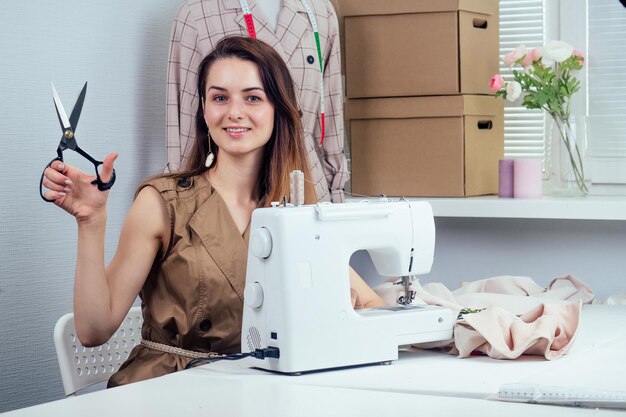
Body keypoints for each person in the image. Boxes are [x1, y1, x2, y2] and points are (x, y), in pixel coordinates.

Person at [42, 36, 383, 387]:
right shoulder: (162, 202)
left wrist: (340, 308)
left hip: (261, 388)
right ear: (204, 111)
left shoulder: (295, 213)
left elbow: (371, 305)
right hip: (167, 391)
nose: (234, 112)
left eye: (252, 97)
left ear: (277, 109)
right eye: (220, 98)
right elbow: (93, 330)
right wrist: (91, 221)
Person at [166, 0, 349, 203]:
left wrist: (336, 196)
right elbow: (185, 123)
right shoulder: (196, 13)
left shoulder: (320, 11)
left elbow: (331, 110)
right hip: (229, 187)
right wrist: (180, 199)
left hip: (306, 181)